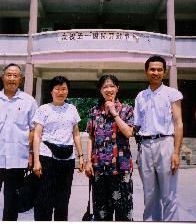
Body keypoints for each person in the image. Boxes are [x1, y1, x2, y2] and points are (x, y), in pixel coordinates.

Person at [134, 55, 183, 221]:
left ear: (164, 72)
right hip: (145, 146)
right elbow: (137, 126)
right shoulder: (140, 96)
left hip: (166, 144)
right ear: (146, 71)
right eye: (152, 69)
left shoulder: (172, 94)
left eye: (159, 69)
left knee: (168, 194)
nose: (156, 72)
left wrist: (176, 152)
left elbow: (178, 124)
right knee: (149, 195)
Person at [33, 75, 84, 221]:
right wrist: (36, 160)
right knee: (45, 197)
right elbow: (37, 135)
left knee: (63, 198)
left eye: (64, 89)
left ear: (67, 91)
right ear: (51, 91)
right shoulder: (43, 109)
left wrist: (81, 157)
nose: (60, 92)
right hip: (47, 155)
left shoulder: (72, 109)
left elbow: (76, 134)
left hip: (67, 157)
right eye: (57, 89)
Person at [85, 74, 134, 221]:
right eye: (105, 86)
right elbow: (91, 137)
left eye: (112, 86)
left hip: (120, 168)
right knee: (101, 213)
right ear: (100, 90)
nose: (109, 89)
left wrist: (114, 113)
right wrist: (88, 162)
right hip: (99, 169)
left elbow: (129, 132)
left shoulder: (126, 109)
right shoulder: (94, 111)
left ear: (117, 88)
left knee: (123, 212)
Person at [0, 63, 38, 221]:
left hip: (18, 159)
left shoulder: (29, 101)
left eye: (16, 76)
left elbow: (33, 130)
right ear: (3, 77)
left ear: (21, 79)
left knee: (12, 200)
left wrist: (31, 154)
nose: (12, 78)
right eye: (9, 74)